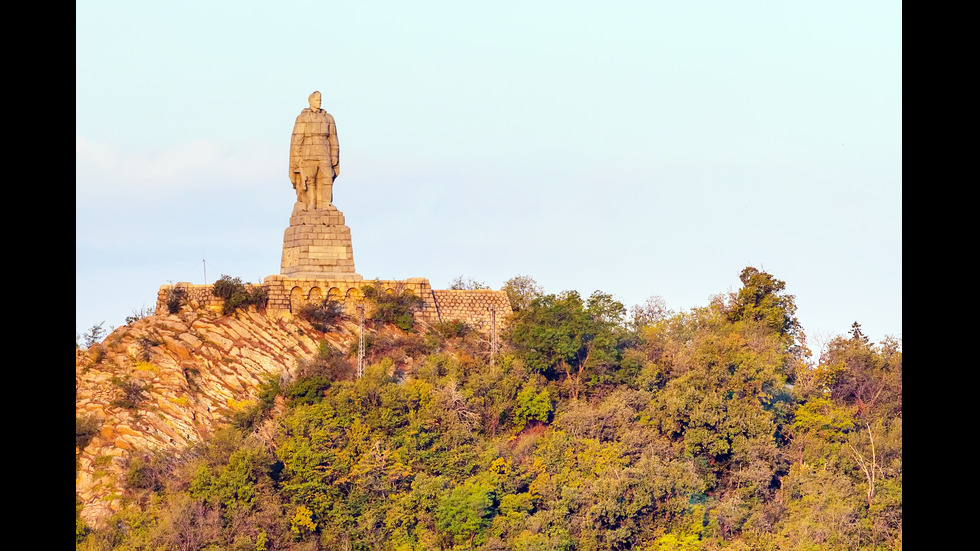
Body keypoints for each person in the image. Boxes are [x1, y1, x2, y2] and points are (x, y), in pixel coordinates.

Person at [289, 91, 340, 209]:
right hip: (308, 151)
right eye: (317, 100)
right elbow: (298, 139)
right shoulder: (302, 118)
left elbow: (333, 137)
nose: (319, 101)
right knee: (309, 179)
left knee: (327, 177)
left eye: (320, 99)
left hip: (324, 151)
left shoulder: (328, 118)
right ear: (310, 101)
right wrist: (297, 157)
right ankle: (311, 202)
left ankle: (326, 202)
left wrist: (334, 155)